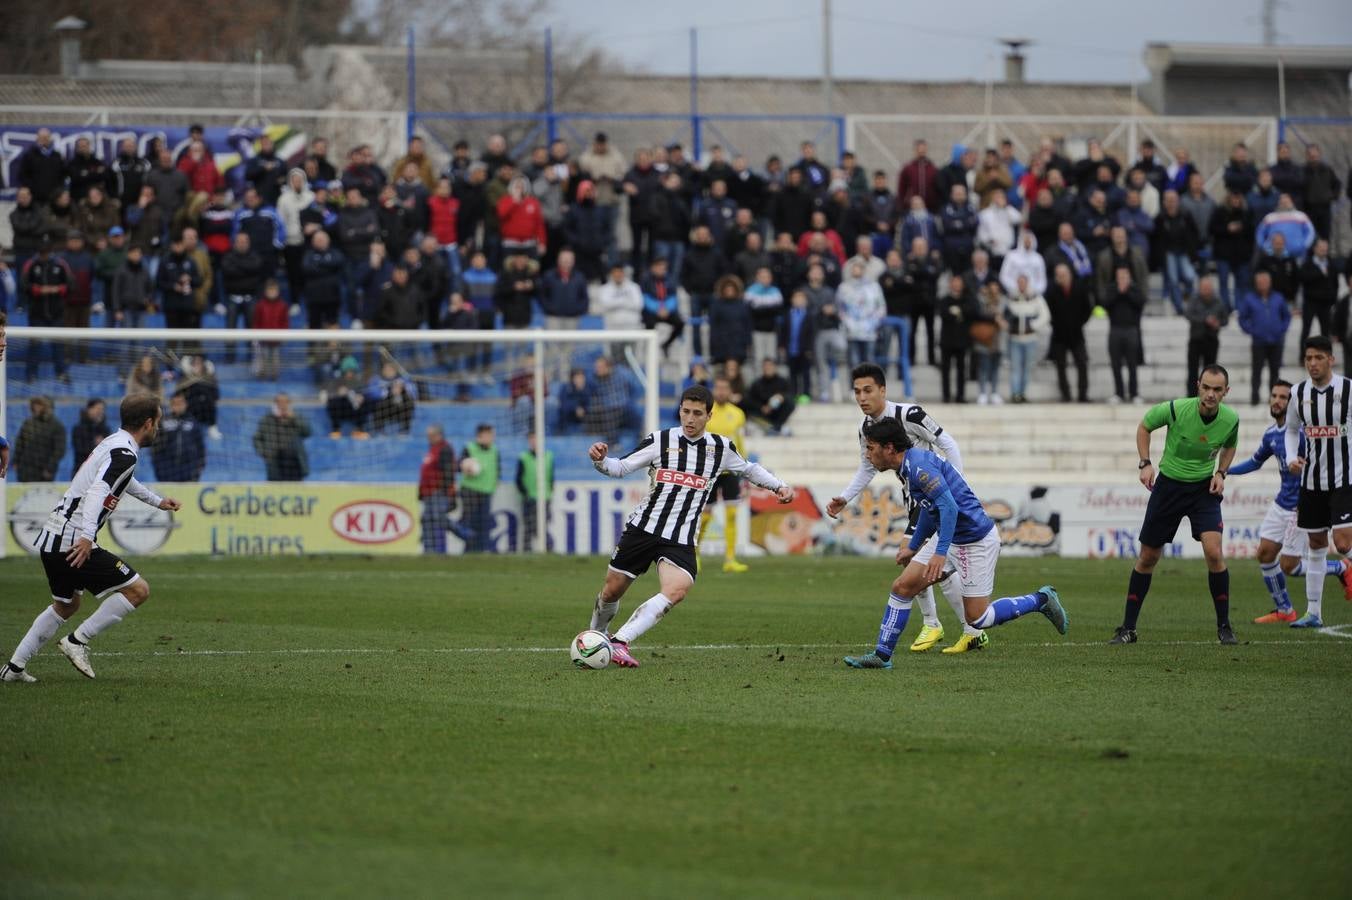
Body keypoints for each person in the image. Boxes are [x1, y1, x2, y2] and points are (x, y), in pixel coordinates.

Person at [585, 385, 794, 668]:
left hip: (680, 537)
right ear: (680, 411)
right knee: (611, 591)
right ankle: (594, 638)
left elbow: (748, 469)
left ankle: (621, 642)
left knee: (678, 589)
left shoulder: (720, 448)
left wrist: (778, 486)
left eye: (697, 413)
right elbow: (619, 467)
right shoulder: (660, 440)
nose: (690, 419)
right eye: (686, 412)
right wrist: (600, 460)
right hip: (643, 529)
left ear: (709, 416)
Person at [842, 417, 1068, 669]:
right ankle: (881, 656)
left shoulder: (919, 468)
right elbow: (930, 507)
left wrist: (939, 553)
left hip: (975, 541)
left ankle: (1041, 600)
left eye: (871, 447)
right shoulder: (909, 466)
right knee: (902, 587)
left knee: (978, 618)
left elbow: (949, 507)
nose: (867, 454)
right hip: (949, 536)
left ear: (889, 448)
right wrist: (914, 545)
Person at [2, 396, 182, 683]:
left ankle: (14, 668)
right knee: (138, 590)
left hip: (54, 534)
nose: (157, 428)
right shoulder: (125, 454)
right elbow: (99, 491)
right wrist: (87, 537)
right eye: (157, 422)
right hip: (73, 540)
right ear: (148, 423)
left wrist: (157, 501)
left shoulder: (114, 443)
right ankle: (77, 641)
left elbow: (123, 480)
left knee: (66, 605)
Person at [827, 364, 990, 653]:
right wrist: (845, 497)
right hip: (914, 499)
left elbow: (947, 443)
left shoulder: (910, 414)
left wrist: (957, 484)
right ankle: (964, 629)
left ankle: (941, 624)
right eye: (857, 392)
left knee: (916, 556)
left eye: (867, 390)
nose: (862, 398)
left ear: (883, 390)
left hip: (933, 496)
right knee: (923, 562)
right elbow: (867, 468)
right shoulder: (866, 429)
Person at [1111, 366, 1239, 645]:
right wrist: (1145, 463)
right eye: (1206, 387)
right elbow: (1144, 426)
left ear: (1226, 392)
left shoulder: (1231, 419)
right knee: (1148, 557)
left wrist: (1221, 472)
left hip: (1203, 490)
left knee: (1214, 552)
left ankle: (1225, 627)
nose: (1211, 394)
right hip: (1168, 487)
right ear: (1198, 386)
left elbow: (1230, 445)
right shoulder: (1176, 409)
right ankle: (1128, 629)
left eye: (1217, 389)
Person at [1230, 381, 1352, 624]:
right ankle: (1284, 610)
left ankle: (1341, 568)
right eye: (1274, 395)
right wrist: (1225, 471)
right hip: (1281, 503)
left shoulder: (1304, 434)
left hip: (1300, 505)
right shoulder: (1271, 434)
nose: (1277, 401)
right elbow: (1255, 462)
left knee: (1290, 565)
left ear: (1293, 402)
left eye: (1283, 397)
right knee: (1265, 554)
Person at [1283, 335, 1352, 628]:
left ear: (1331, 359)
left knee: (1343, 542)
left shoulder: (1348, 389)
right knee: (1316, 542)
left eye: (1319, 358)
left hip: (1344, 478)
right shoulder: (1298, 392)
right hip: (1311, 480)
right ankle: (1313, 613)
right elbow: (1290, 430)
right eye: (1308, 358)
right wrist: (1291, 458)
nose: (1313, 363)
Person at [1237, 269, 1291, 407]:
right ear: (1256, 283)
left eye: (1265, 281)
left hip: (1276, 341)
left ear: (1270, 282)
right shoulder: (1249, 298)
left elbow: (1286, 316)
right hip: (1258, 342)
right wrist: (1252, 330)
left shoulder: (1278, 297)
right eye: (1260, 282)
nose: (1263, 284)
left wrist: (1281, 329)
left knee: (1275, 371)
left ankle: (1273, 397)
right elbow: (1242, 318)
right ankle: (1254, 396)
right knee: (1257, 370)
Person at [1045, 263, 1092, 403]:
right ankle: (1066, 395)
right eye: (1059, 275)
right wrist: (1055, 324)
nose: (1061, 278)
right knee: (1060, 366)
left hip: (1076, 333)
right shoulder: (1052, 290)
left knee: (1082, 363)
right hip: (1059, 335)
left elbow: (1087, 308)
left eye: (1063, 275)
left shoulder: (1079, 287)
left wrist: (1079, 322)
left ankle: (1083, 395)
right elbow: (1047, 311)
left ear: (1070, 274)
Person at [1004, 274, 1050, 404]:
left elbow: (1045, 315)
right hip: (1015, 338)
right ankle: (1015, 394)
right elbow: (1005, 314)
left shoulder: (1035, 297)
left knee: (1027, 368)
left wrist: (1033, 325)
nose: (1021, 285)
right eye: (1019, 282)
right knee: (1015, 368)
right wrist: (1009, 326)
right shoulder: (1011, 297)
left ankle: (1023, 393)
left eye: (1023, 282)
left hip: (1030, 338)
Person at [1103, 267, 1145, 404]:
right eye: (1119, 277)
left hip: (1131, 329)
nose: (1122, 279)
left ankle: (1134, 393)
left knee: (1132, 363)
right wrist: (1118, 292)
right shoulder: (1111, 289)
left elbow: (1140, 303)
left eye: (1124, 277)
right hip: (1115, 329)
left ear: (1129, 277)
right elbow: (1105, 304)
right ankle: (1119, 393)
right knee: (1115, 363)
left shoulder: (1135, 289)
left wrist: (1126, 292)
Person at [1184, 279, 1229, 398]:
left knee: (1211, 373)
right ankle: (1191, 397)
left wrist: (1217, 322)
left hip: (1211, 340)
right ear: (1199, 288)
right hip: (1196, 340)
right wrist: (1205, 319)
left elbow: (1225, 319)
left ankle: (1209, 396)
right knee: (1192, 371)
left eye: (1208, 288)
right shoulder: (1194, 300)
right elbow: (1188, 314)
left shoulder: (1218, 301)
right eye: (1204, 288)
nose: (1206, 290)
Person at [252, 393, 311, 482]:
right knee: (276, 486)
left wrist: (294, 418)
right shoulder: (267, 419)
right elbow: (257, 438)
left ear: (289, 403)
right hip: (274, 461)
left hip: (294, 461)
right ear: (275, 403)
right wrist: (264, 453)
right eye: (279, 402)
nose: (282, 404)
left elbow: (307, 432)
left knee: (296, 487)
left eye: (285, 402)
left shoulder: (297, 417)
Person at [459, 424, 499, 554]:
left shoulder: (494, 450)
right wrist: (467, 467)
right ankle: (468, 550)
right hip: (470, 491)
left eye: (492, 435)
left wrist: (495, 483)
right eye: (488, 434)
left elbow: (497, 469)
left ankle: (482, 550)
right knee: (470, 522)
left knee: (484, 523)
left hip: (487, 491)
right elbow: (459, 465)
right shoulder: (469, 448)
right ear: (480, 436)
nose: (491, 437)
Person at [419, 425, 458, 554]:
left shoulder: (445, 449)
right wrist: (421, 493)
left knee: (437, 518)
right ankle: (429, 550)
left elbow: (448, 472)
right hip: (428, 493)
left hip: (438, 492)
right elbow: (425, 473)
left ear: (439, 435)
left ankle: (464, 533)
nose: (429, 438)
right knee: (427, 520)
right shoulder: (432, 449)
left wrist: (446, 491)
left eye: (431, 435)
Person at [152, 392, 207, 482]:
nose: (178, 406)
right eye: (175, 403)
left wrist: (198, 468)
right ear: (171, 405)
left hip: (189, 470)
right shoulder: (163, 423)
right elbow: (156, 448)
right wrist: (159, 469)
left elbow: (200, 447)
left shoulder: (193, 423)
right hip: (167, 471)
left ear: (186, 404)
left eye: (180, 403)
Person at [939, 275, 977, 404]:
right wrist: (958, 313)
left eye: (958, 283)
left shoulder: (967, 299)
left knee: (961, 370)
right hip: (947, 340)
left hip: (962, 340)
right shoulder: (945, 300)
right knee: (946, 370)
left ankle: (960, 395)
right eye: (954, 283)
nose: (956, 285)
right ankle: (946, 395)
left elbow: (971, 313)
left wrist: (957, 311)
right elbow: (944, 314)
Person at [516, 431, 555, 553]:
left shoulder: (549, 456)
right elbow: (518, 479)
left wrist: (550, 491)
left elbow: (551, 476)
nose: (534, 442)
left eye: (536, 439)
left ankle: (548, 549)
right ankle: (526, 550)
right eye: (532, 439)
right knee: (529, 526)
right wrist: (525, 493)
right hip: (530, 498)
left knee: (543, 525)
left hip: (545, 497)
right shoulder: (523, 457)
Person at [13, 396, 67, 483]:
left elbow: (59, 450)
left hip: (44, 472)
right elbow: (19, 443)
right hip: (25, 470)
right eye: (35, 405)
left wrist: (50, 468)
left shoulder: (56, 426)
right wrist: (16, 461)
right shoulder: (28, 423)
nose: (36, 407)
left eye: (40, 405)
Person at [1299, 238, 1339, 346]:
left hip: (1325, 302)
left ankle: (1326, 354)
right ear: (1315, 249)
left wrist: (1333, 299)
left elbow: (1335, 283)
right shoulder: (1307, 263)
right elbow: (1303, 278)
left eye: (1325, 249)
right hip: (1310, 301)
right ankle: (1303, 353)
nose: (1324, 251)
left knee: (1326, 331)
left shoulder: (1331, 264)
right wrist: (1320, 272)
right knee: (1306, 330)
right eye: (1321, 249)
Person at [746, 358, 795, 436]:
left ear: (775, 367)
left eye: (770, 366)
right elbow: (750, 399)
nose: (768, 368)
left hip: (777, 412)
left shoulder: (782, 381)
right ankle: (773, 428)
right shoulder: (757, 383)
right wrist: (762, 407)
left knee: (790, 402)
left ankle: (776, 427)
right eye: (765, 366)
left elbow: (789, 394)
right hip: (762, 413)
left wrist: (781, 397)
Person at [71, 398, 111, 472]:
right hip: (81, 470)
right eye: (98, 409)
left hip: (100, 471)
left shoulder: (105, 430)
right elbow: (80, 450)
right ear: (89, 409)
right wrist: (97, 445)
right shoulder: (79, 429)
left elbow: (109, 452)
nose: (100, 412)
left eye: (102, 409)